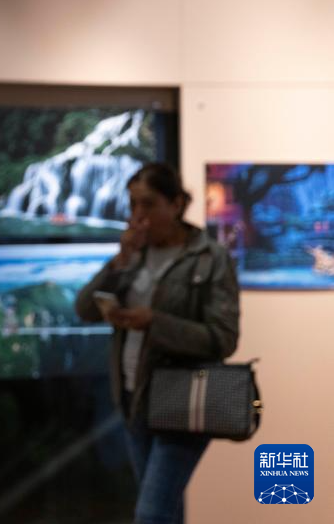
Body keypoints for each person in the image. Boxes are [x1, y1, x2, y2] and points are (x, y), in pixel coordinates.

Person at [75, 162, 239, 524]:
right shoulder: (134, 256)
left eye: (148, 204)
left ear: (176, 203)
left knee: (151, 514)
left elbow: (223, 338)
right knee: (166, 512)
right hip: (133, 398)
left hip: (183, 402)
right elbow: (85, 308)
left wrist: (154, 322)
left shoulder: (210, 258)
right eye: (133, 205)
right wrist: (120, 262)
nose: (138, 216)